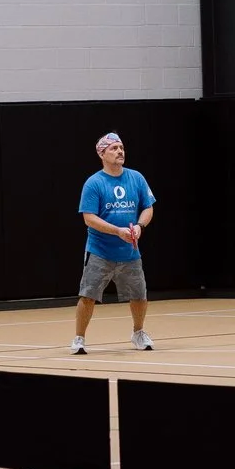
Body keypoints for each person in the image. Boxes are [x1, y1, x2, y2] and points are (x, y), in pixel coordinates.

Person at [71, 132, 156, 354]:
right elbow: (89, 218)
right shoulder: (94, 183)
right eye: (114, 148)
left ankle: (138, 333)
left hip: (130, 252)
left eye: (122, 147)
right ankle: (79, 338)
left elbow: (148, 207)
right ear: (102, 154)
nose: (120, 151)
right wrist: (117, 231)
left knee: (139, 295)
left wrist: (139, 226)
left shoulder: (136, 178)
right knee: (88, 295)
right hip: (100, 250)